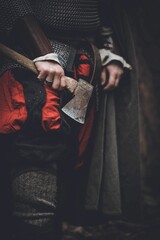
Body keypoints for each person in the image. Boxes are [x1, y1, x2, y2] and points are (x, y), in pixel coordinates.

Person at [0, 0, 141, 239]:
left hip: (83, 62)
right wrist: (40, 49)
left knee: (69, 153)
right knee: (36, 147)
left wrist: (110, 50)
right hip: (29, 61)